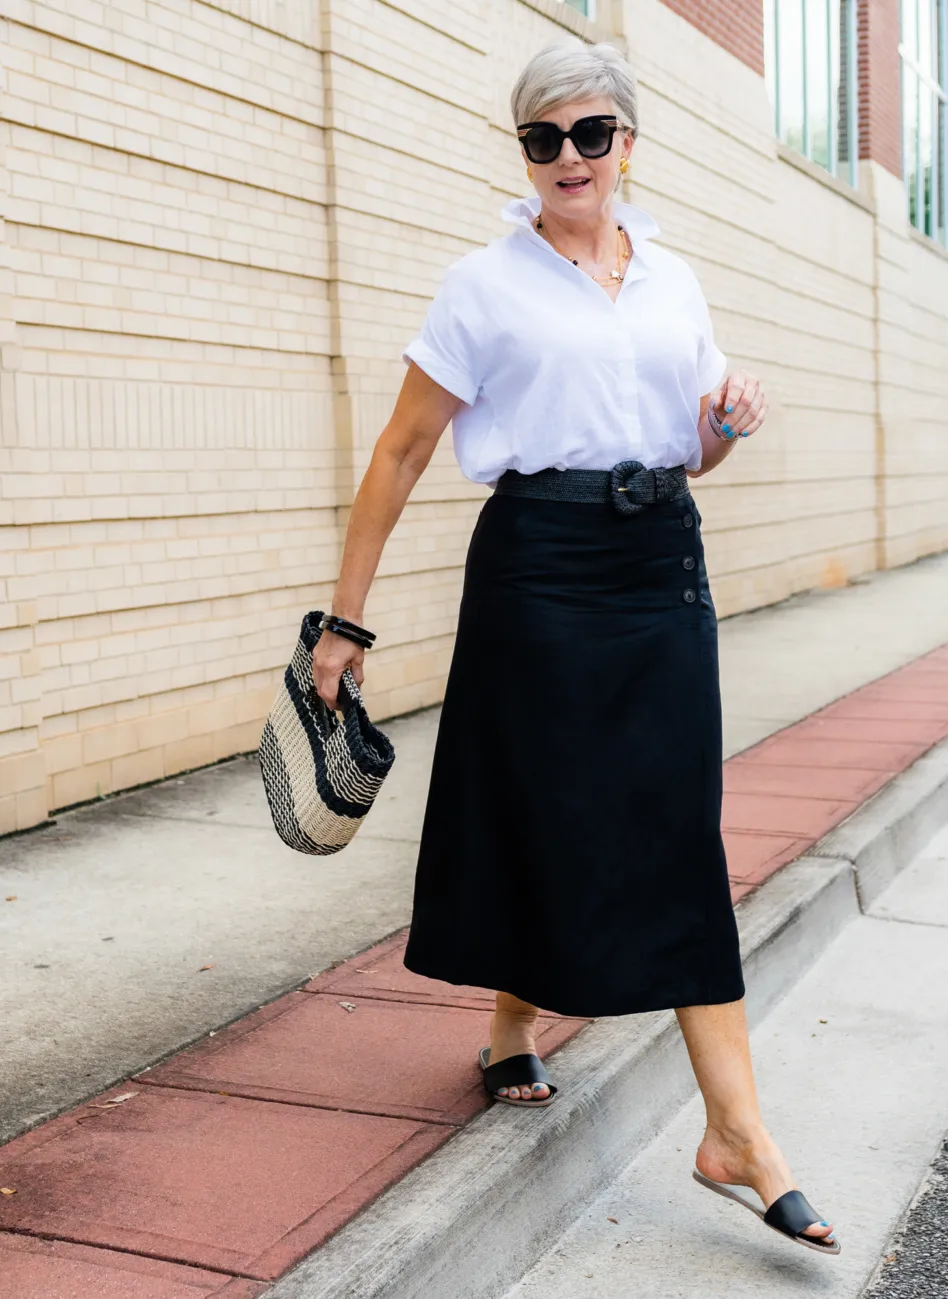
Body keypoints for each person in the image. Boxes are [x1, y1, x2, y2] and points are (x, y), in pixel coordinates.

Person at [311, 40, 837, 1256]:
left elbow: (686, 441)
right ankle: (517, 1034)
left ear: (627, 144)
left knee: (669, 827)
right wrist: (344, 620)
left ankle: (733, 1136)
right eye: (542, 139)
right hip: (538, 568)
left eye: (589, 134)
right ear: (525, 155)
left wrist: (729, 425)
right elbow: (396, 454)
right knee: (543, 810)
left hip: (659, 565)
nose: (567, 159)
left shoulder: (674, 280)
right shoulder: (482, 286)